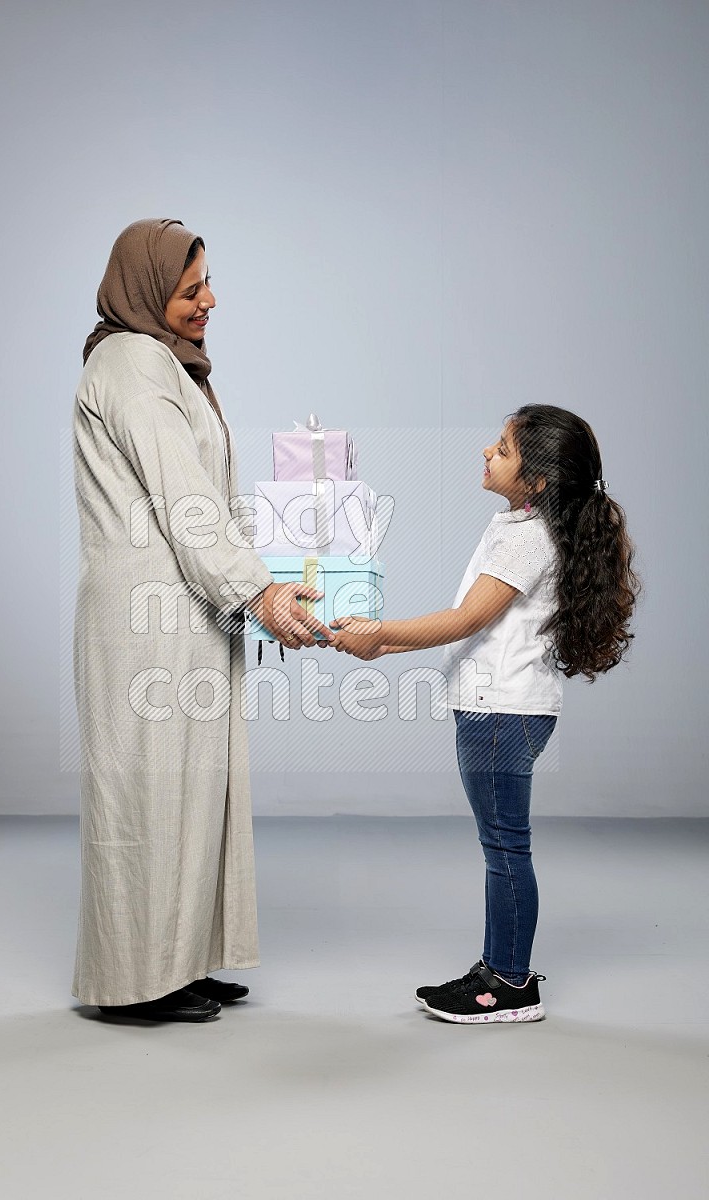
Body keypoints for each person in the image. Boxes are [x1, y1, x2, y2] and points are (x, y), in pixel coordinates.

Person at [72, 218, 330, 1022]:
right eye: (191, 290)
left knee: (196, 791)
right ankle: (132, 983)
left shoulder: (170, 370)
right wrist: (256, 593)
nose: (209, 301)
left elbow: (215, 502)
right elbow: (188, 504)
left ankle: (180, 963)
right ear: (149, 290)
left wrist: (267, 588)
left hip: (189, 607)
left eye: (208, 283)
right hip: (148, 619)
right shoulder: (133, 364)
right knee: (148, 795)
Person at [330, 405, 639, 1023]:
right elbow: (471, 624)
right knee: (503, 845)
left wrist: (379, 634)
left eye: (502, 447)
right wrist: (380, 643)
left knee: (505, 848)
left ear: (538, 479)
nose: (486, 452)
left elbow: (468, 619)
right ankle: (500, 965)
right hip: (506, 709)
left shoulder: (525, 535)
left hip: (500, 712)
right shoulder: (525, 522)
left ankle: (508, 984)